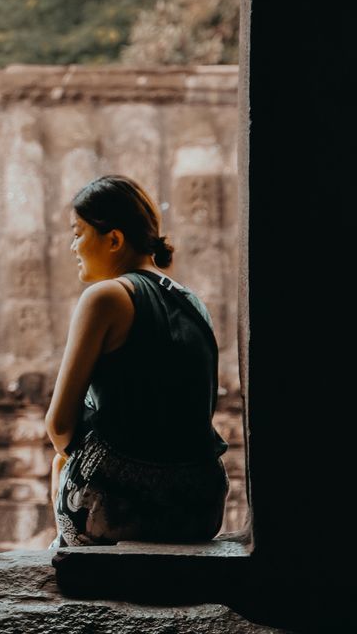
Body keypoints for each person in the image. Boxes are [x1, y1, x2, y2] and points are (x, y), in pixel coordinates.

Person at [45, 175, 229, 546]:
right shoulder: (192, 302)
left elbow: (60, 425)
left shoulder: (106, 298)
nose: (72, 246)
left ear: (114, 239)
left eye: (78, 233)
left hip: (121, 506)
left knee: (60, 462)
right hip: (202, 506)